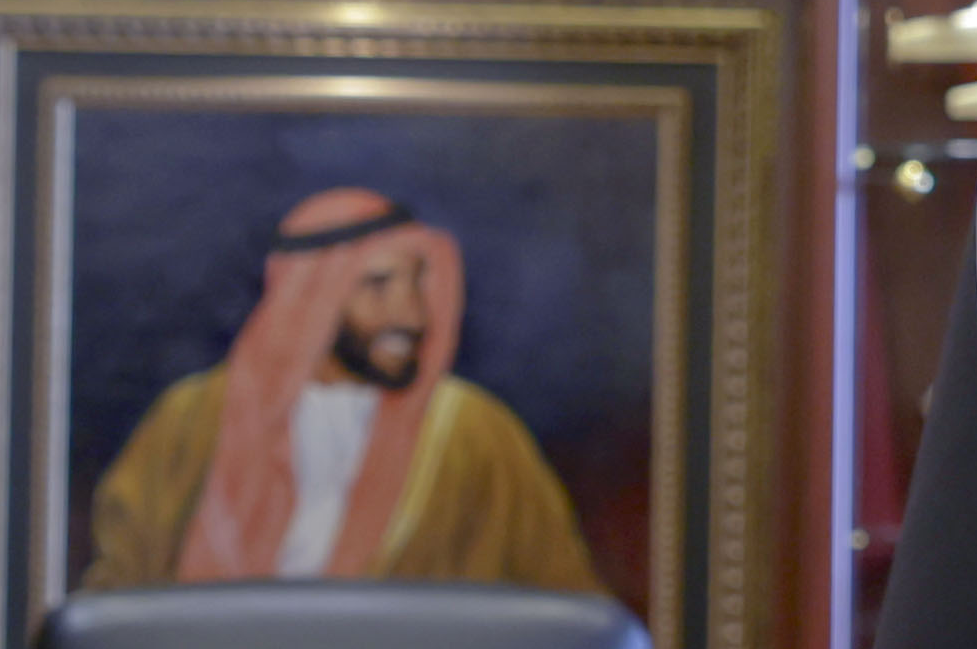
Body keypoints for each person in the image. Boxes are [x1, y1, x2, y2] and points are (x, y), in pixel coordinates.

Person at [79, 182, 608, 596]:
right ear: (310, 299)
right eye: (378, 285)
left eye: (418, 282)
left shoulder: (475, 432)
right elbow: (119, 593)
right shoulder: (190, 420)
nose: (412, 314)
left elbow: (566, 605)